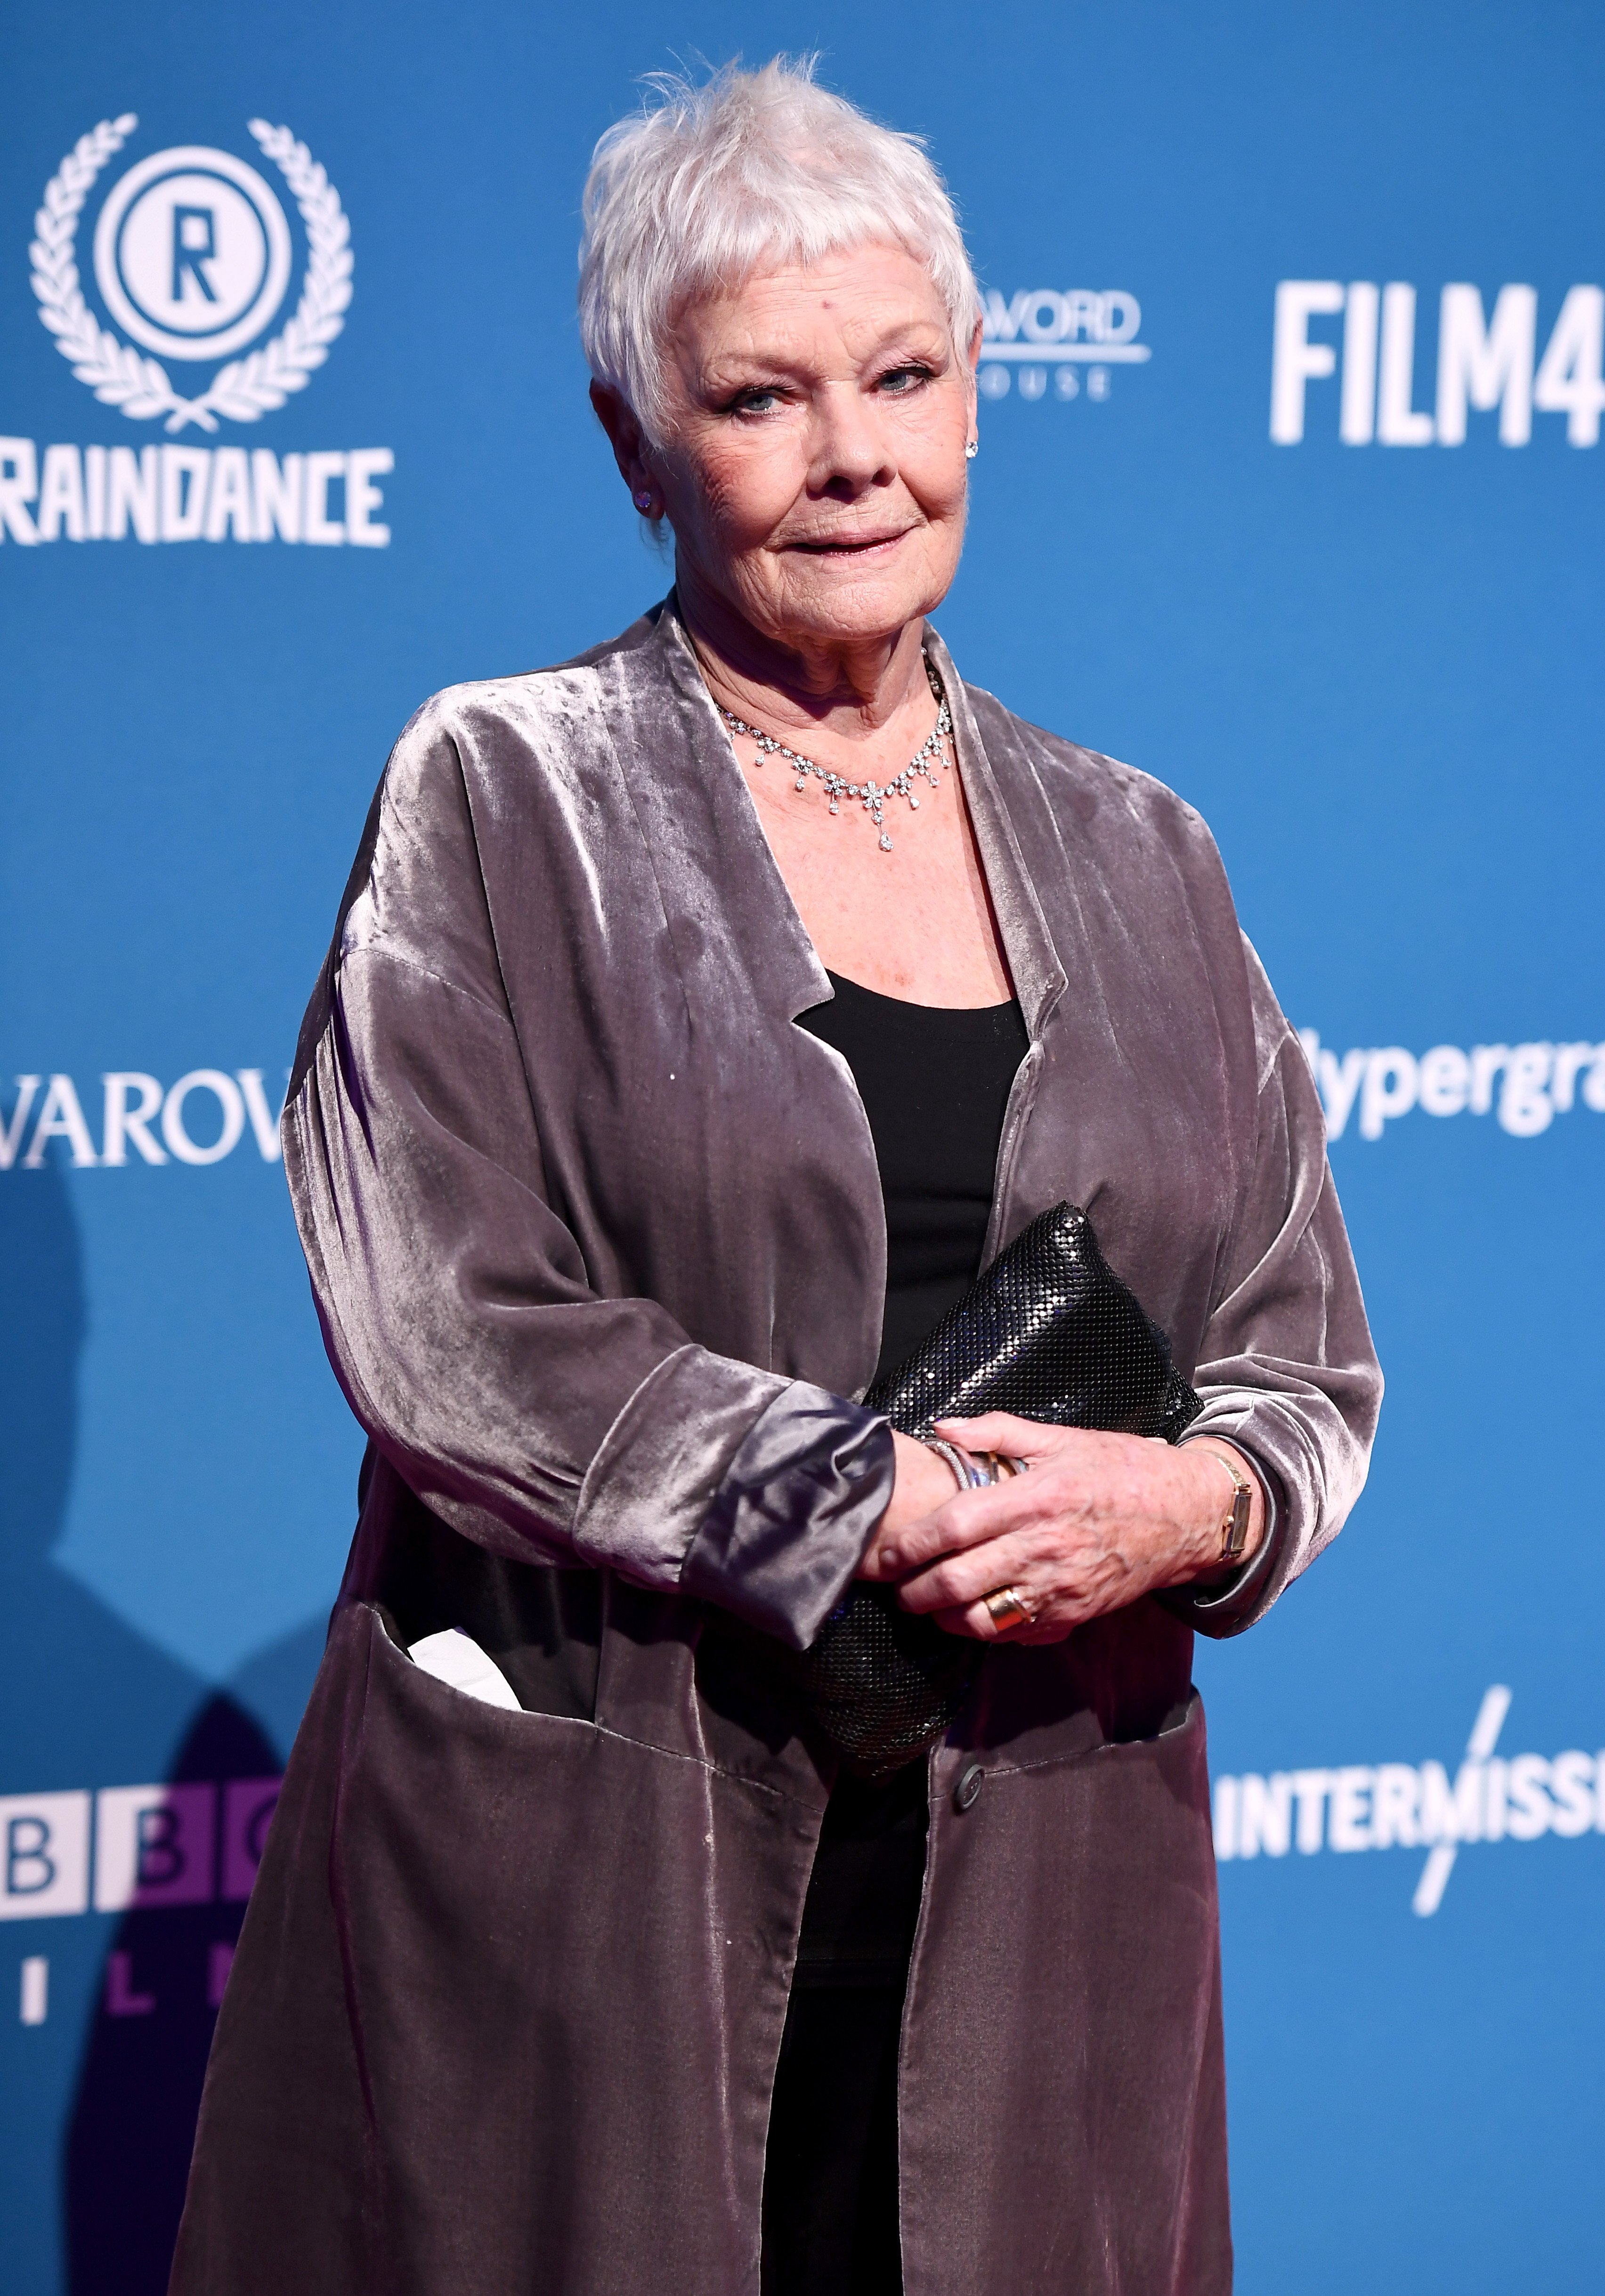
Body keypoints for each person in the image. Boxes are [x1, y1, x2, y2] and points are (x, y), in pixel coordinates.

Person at [170, 57, 1381, 2296]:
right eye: (762, 397)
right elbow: (443, 1312)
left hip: (1040, 1874)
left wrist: (1198, 1511)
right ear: (637, 441)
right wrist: (858, 1500)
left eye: (906, 376)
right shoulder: (502, 790)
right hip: (608, 1868)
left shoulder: (1147, 851)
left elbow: (1303, 1358)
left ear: (982, 391)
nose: (856, 456)